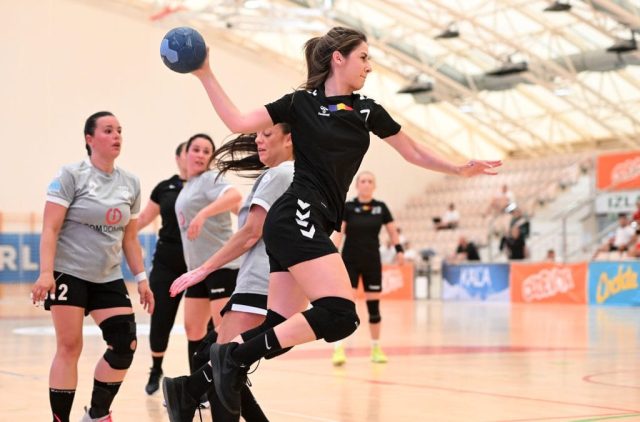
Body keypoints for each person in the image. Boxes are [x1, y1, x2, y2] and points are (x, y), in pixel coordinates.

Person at [162, 26, 500, 417]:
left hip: (306, 221)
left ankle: (191, 388)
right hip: (298, 213)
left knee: (280, 323)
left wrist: (457, 168)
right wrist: (204, 72)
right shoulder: (299, 103)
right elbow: (239, 120)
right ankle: (232, 360)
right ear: (338, 58)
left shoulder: (366, 110)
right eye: (364, 57)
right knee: (340, 315)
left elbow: (412, 152)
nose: (369, 66)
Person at [30, 111, 154, 422]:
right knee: (70, 346)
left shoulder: (130, 182)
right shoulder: (71, 175)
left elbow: (130, 238)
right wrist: (46, 272)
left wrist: (141, 278)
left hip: (108, 276)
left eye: (119, 130)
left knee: (125, 343)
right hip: (68, 272)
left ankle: (97, 414)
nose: (116, 136)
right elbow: (50, 228)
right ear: (90, 139)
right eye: (108, 130)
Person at [167, 123, 297, 421]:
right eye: (257, 135)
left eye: (266, 134)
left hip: (259, 282)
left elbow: (250, 233)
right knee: (216, 360)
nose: (258, 140)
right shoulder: (292, 176)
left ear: (289, 139)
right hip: (262, 281)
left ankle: (185, 393)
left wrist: (203, 269)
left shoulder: (280, 175)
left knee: (222, 365)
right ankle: (185, 392)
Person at [175, 133, 243, 387]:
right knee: (192, 328)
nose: (201, 155)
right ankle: (197, 389)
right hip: (197, 271)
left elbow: (234, 196)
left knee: (223, 330)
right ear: (185, 154)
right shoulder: (189, 186)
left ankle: (222, 386)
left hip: (221, 267)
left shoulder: (210, 179)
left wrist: (204, 213)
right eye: (196, 149)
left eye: (206, 151)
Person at [330, 170, 404, 366]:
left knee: (374, 308)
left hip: (372, 262)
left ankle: (376, 348)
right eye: (363, 181)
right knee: (345, 307)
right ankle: (338, 348)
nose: (366, 184)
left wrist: (399, 250)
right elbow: (339, 232)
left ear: (374, 186)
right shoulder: (348, 207)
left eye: (370, 181)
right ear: (357, 185)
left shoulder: (381, 207)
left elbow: (392, 231)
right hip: (350, 262)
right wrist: (331, 252)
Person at [135, 142, 188, 395]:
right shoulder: (165, 188)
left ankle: (202, 375)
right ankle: (156, 369)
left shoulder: (209, 186)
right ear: (178, 158)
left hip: (199, 263)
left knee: (202, 324)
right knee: (160, 317)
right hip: (167, 262)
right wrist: (116, 235)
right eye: (190, 151)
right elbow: (144, 218)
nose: (196, 156)